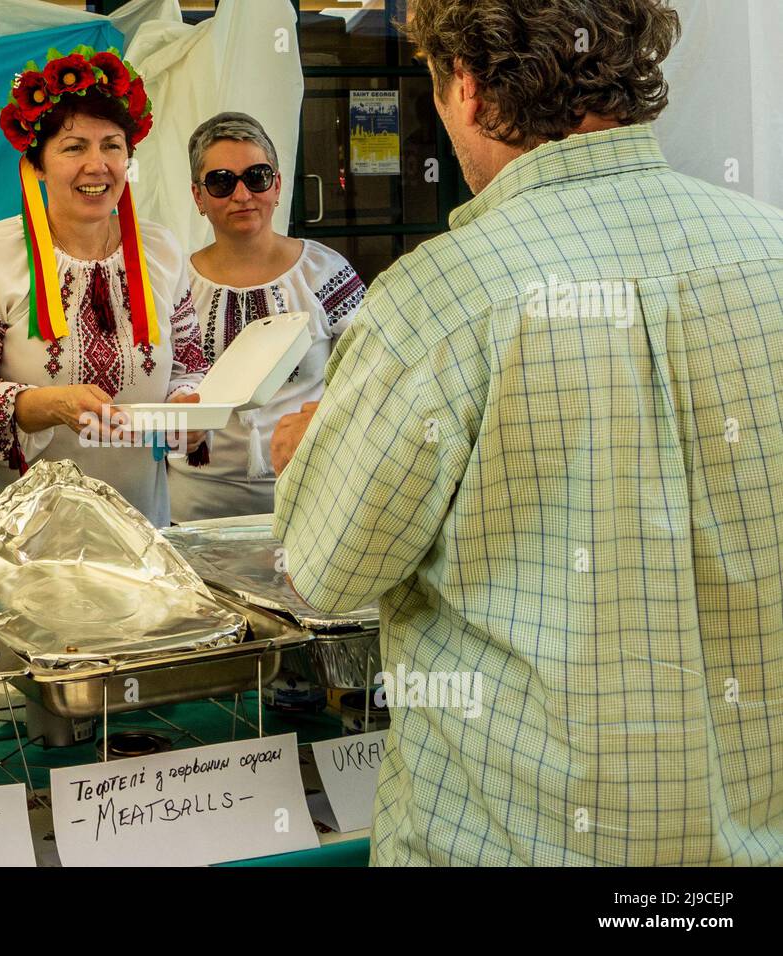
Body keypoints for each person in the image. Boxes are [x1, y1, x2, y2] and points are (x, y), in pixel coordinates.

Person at [274, 0, 783, 866]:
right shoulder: (771, 250)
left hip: (512, 838)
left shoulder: (440, 297)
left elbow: (329, 570)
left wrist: (308, 454)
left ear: (466, 88)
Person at [0, 46, 211, 540]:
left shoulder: (162, 250)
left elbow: (189, 368)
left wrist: (190, 408)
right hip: (15, 541)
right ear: (37, 165)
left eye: (111, 145)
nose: (97, 164)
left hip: (136, 532)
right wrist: (46, 405)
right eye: (73, 147)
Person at [168, 112, 364, 520]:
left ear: (276, 185)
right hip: (195, 503)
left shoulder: (325, 272)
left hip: (311, 499)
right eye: (222, 182)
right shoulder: (174, 284)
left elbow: (371, 373)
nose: (242, 195)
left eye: (255, 176)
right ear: (198, 197)